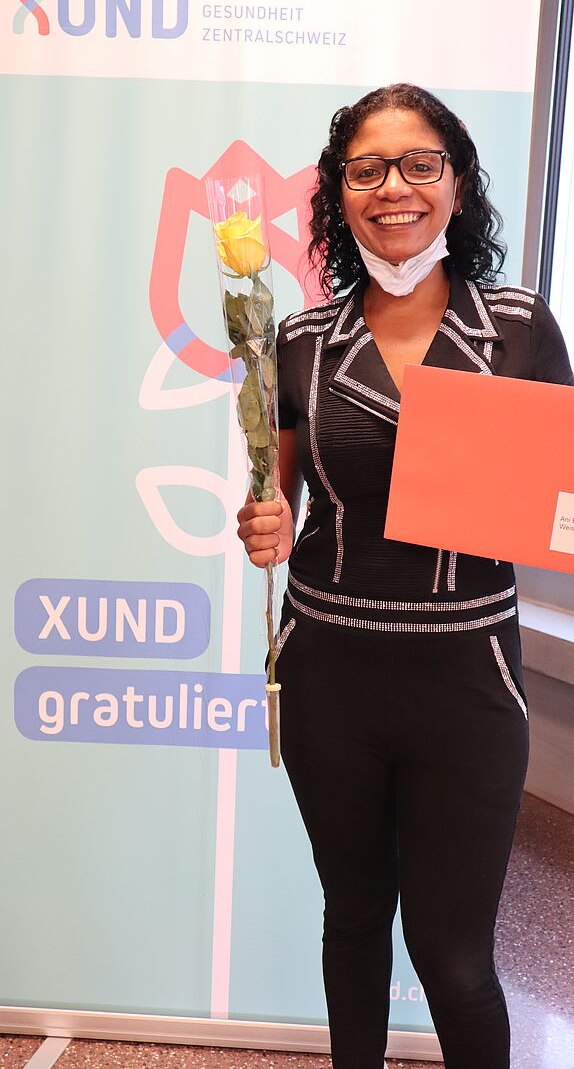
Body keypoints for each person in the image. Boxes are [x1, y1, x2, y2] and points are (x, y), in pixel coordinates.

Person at [236, 84, 574, 1069]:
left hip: (466, 678)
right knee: (351, 922)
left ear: (456, 184)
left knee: (455, 959)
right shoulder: (300, 341)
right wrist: (261, 524)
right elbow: (277, 501)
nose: (394, 187)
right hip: (330, 673)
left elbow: (558, 496)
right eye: (367, 169)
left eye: (420, 163)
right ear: (339, 194)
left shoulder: (517, 327)